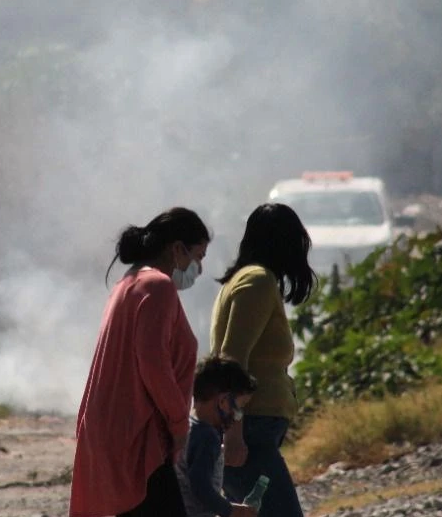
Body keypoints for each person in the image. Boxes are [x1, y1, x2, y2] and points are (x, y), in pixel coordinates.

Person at [70, 207, 212, 517]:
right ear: (177, 249)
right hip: (137, 434)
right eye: (198, 257)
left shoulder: (129, 283)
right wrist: (178, 423)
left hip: (113, 430)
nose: (198, 267)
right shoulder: (158, 286)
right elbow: (153, 363)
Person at [210, 203, 317, 517]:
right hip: (250, 429)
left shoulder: (249, 280)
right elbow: (232, 360)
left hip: (254, 429)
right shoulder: (257, 281)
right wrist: (233, 435)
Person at [176, 355, 259, 517]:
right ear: (223, 401)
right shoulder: (207, 437)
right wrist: (231, 510)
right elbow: (200, 486)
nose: (237, 415)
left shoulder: (187, 426)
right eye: (239, 407)